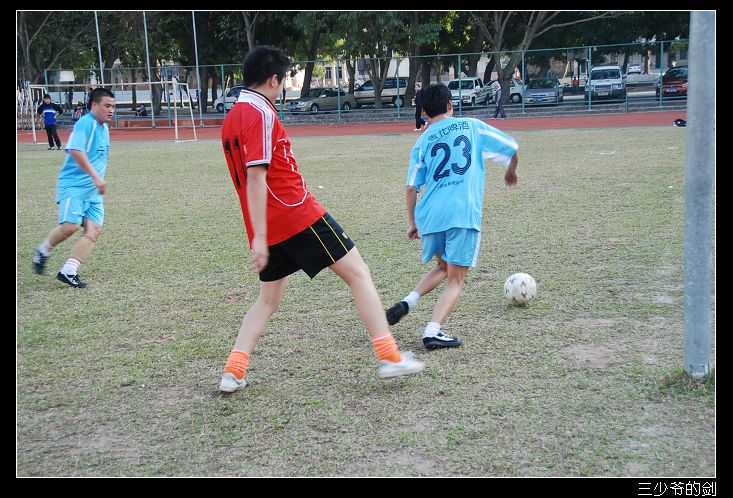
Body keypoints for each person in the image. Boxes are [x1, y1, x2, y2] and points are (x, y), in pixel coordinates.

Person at [218, 46, 424, 393]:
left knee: (268, 299)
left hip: (267, 222)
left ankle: (233, 371)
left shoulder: (232, 117)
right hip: (295, 213)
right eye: (283, 81)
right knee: (359, 273)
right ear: (273, 79)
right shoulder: (260, 113)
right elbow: (255, 177)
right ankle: (389, 356)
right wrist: (260, 237)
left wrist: (259, 233)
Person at [385, 83, 519, 350]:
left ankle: (408, 301)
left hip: (430, 216)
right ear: (450, 105)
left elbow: (411, 187)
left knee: (444, 267)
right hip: (462, 213)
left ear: (424, 112)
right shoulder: (472, 126)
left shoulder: (422, 142)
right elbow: (511, 147)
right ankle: (432, 332)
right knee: (456, 279)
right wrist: (510, 170)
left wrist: (412, 222)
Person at [32, 88, 116, 288]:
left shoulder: (104, 127)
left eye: (113, 106)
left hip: (93, 190)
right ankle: (43, 250)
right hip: (74, 186)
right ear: (94, 105)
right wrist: (96, 177)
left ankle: (69, 270)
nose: (111, 110)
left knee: (94, 230)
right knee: (70, 226)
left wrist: (96, 180)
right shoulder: (86, 123)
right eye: (107, 106)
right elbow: (76, 150)